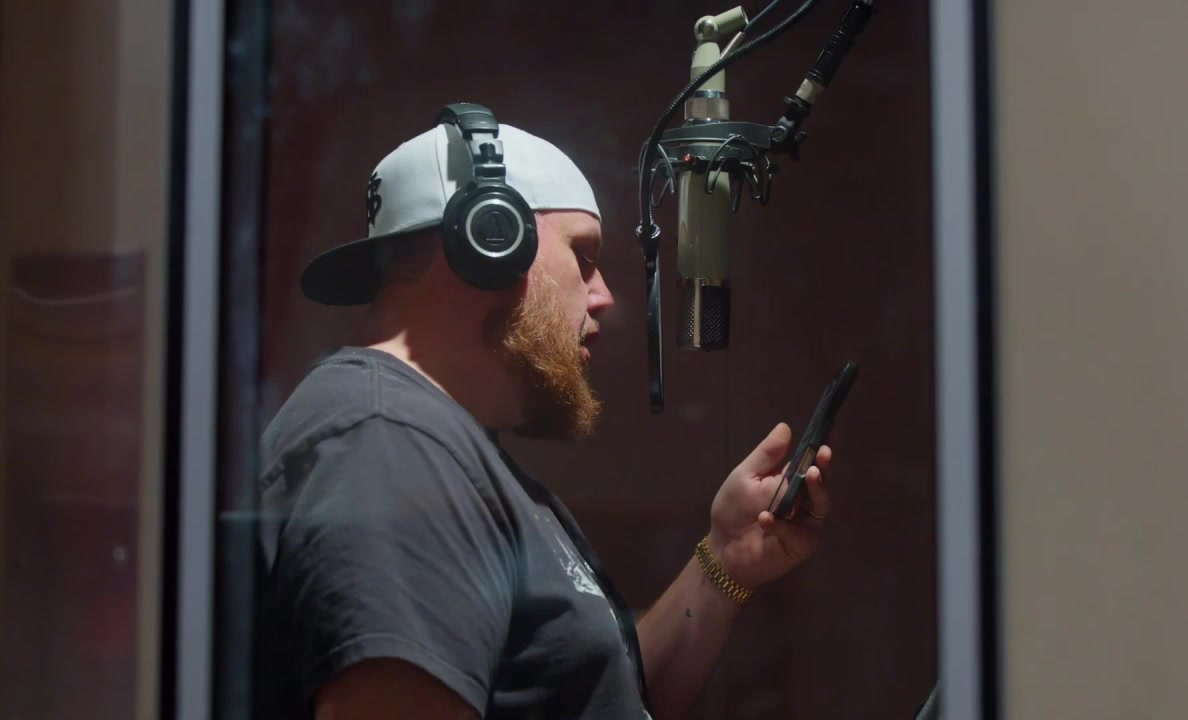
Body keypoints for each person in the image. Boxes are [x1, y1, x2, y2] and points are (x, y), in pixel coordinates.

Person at [252, 103, 835, 720]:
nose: (603, 296)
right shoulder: (386, 444)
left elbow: (594, 701)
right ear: (490, 240)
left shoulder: (429, 445)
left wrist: (723, 562)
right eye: (583, 255)